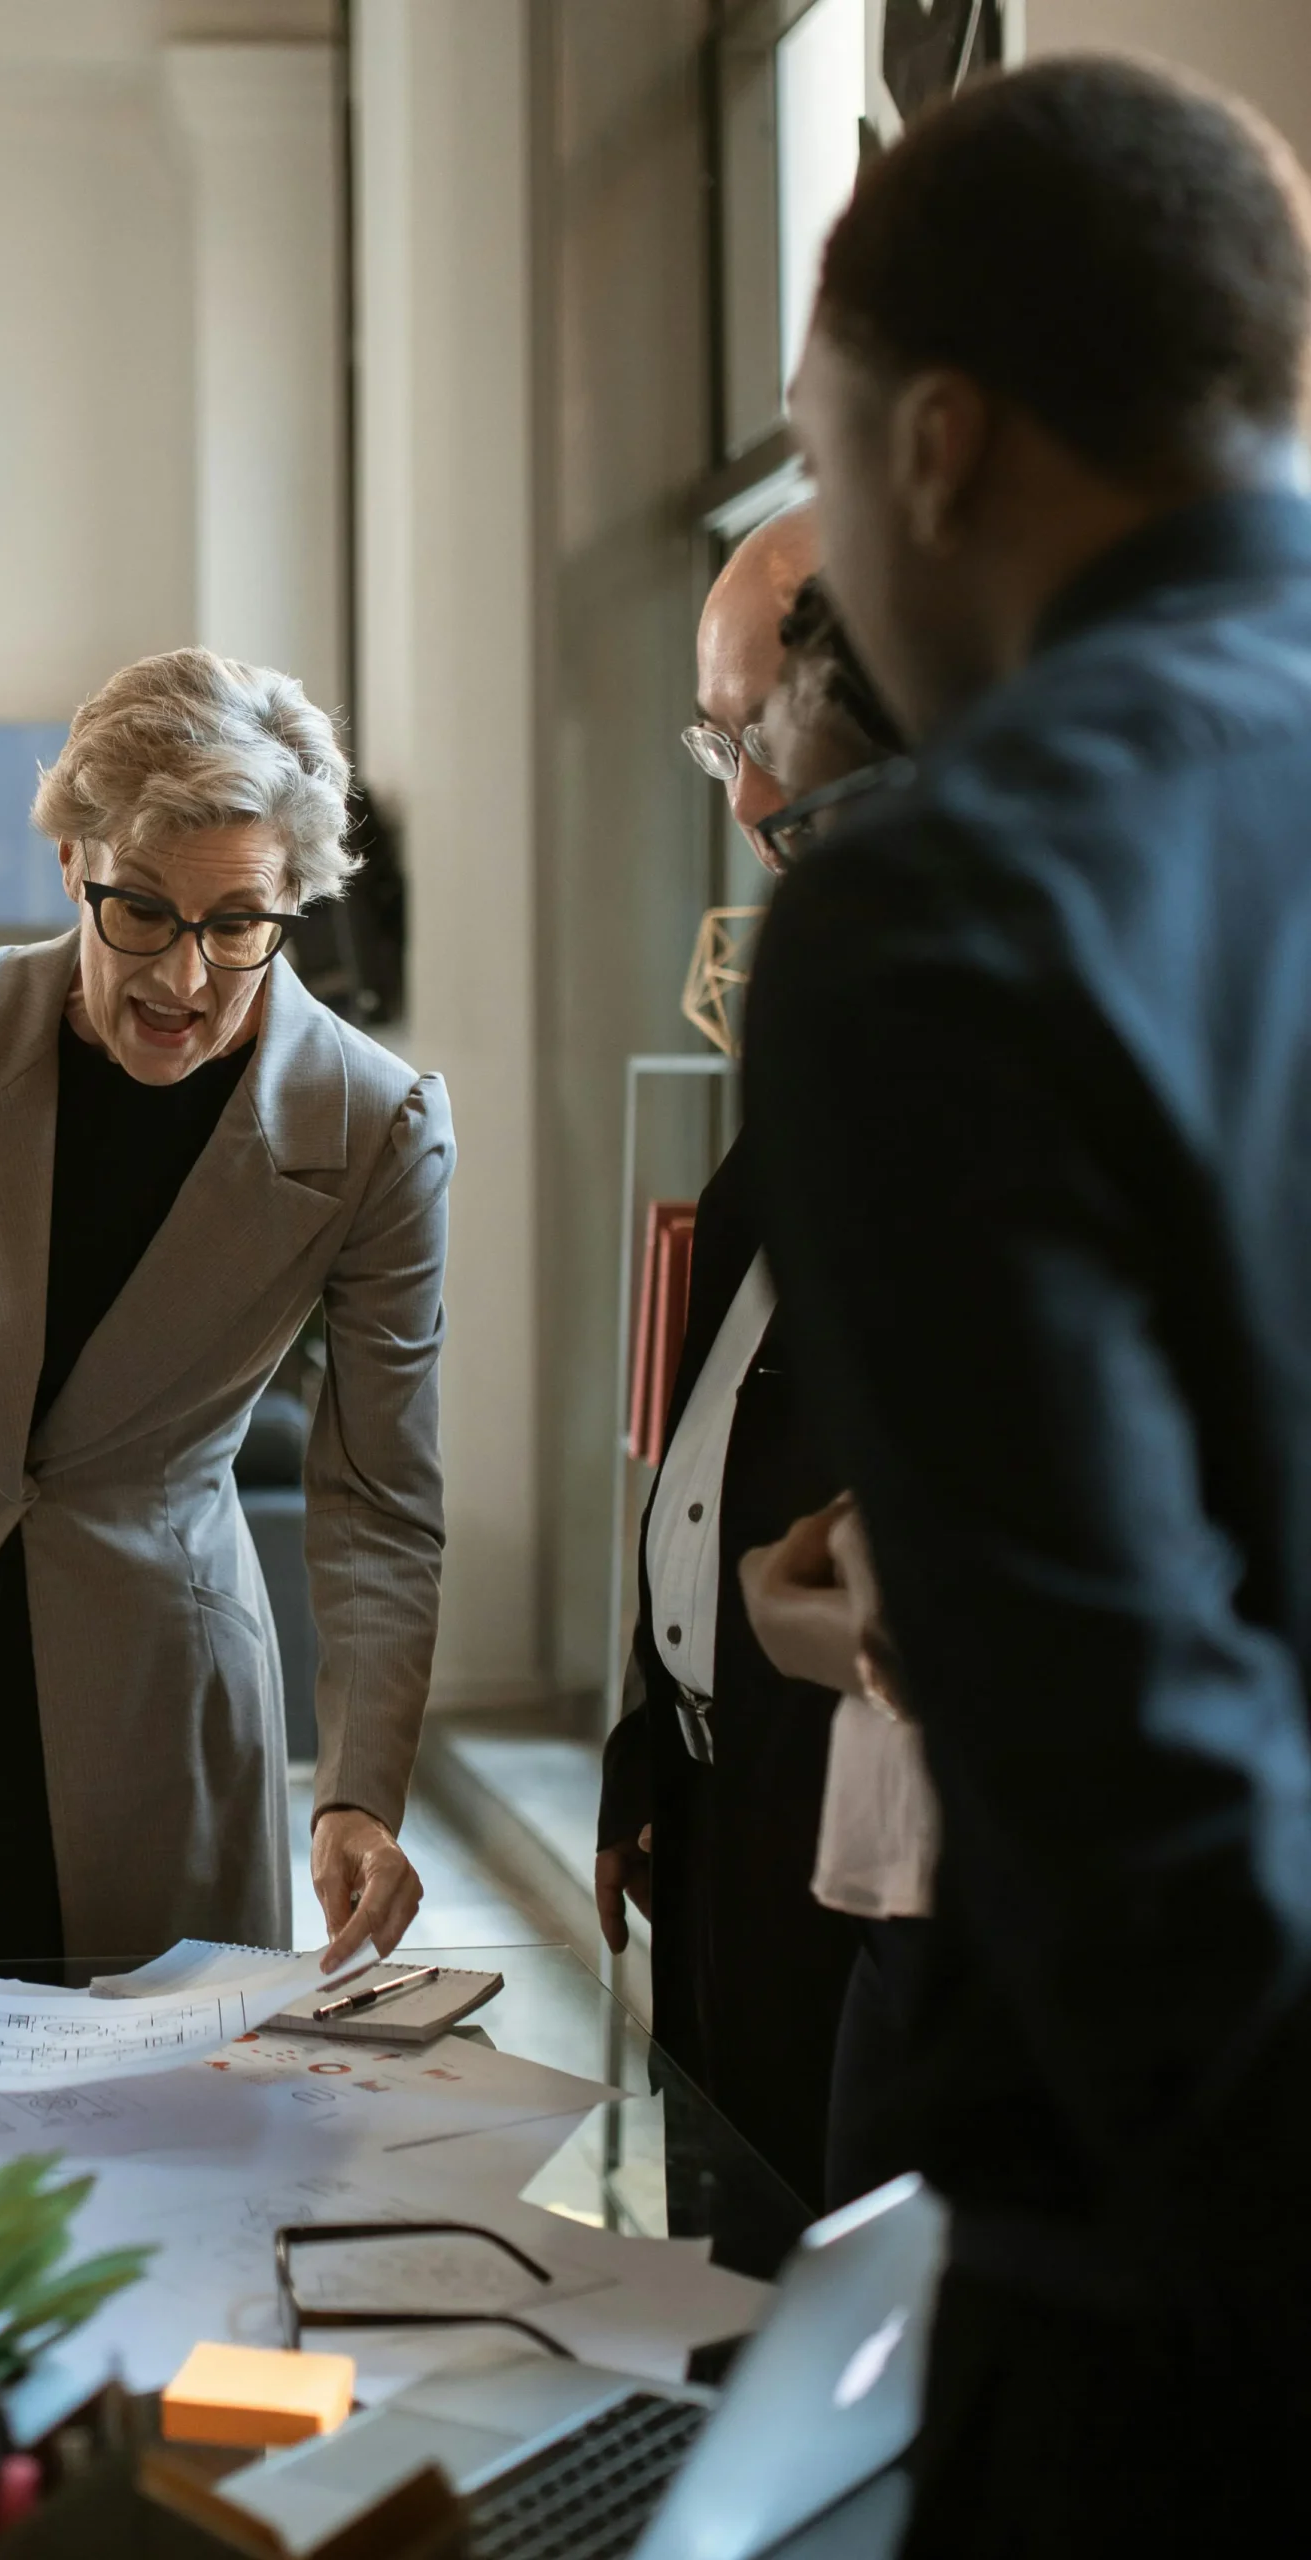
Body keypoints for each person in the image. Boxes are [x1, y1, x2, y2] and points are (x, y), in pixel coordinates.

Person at [750, 55, 1311, 2554]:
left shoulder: (938, 903)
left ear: (938, 447)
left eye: (821, 461)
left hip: (1179, 2322)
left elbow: (1124, 1796)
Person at [0, 648, 452, 1972]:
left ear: (292, 903)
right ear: (73, 866)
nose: (183, 981)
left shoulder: (374, 1122)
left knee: (149, 2146)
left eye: (237, 926)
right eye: (142, 914)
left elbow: (380, 1497)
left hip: (162, 1697)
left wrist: (358, 1794)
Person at [595, 515, 908, 2215]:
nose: (740, 804)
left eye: (750, 739)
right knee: (713, 2253)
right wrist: (653, 1753)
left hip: (862, 1817)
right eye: (711, 744)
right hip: (722, 1813)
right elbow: (702, 1459)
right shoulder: (808, 1042)